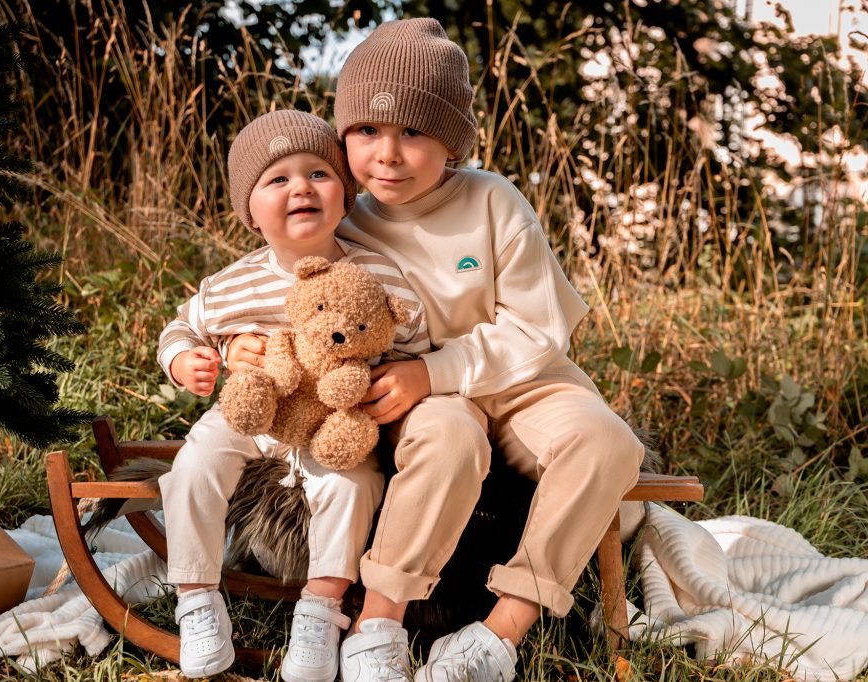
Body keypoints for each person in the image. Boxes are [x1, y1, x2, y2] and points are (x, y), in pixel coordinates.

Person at [227, 18, 645, 682]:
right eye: (366, 132)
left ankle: (501, 631)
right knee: (449, 439)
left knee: (610, 443)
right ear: (342, 139)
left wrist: (437, 370)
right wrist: (236, 348)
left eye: (413, 132)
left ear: (452, 140)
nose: (386, 155)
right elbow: (289, 298)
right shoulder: (346, 222)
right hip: (418, 399)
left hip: (524, 382)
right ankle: (378, 624)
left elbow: (539, 328)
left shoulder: (493, 202)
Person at [158, 109, 429, 682]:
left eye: (318, 174)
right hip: (250, 413)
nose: (300, 187)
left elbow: (414, 338)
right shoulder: (229, 284)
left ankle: (319, 610)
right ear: (250, 213)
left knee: (355, 483)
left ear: (346, 195)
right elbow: (179, 330)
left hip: (332, 419)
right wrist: (189, 362)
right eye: (277, 180)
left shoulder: (376, 273)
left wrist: (398, 376)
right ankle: (197, 598)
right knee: (192, 468)